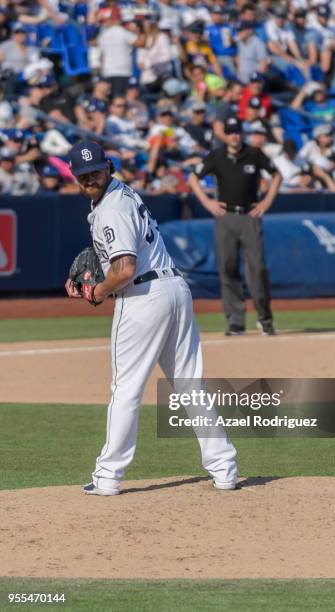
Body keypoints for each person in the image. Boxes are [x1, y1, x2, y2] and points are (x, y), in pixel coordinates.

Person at [65, 140, 238, 495]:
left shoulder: (110, 208)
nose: (90, 178)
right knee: (190, 384)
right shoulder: (123, 193)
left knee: (126, 389)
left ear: (109, 166)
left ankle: (108, 476)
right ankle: (224, 469)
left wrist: (97, 292)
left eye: (95, 170)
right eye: (83, 175)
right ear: (74, 176)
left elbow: (125, 268)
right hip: (175, 288)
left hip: (143, 297)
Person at [188, 117, 281, 336]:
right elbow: (193, 178)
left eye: (237, 131)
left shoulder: (254, 154)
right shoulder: (216, 156)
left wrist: (266, 202)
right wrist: (207, 202)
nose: (234, 135)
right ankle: (235, 322)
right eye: (230, 131)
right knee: (227, 268)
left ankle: (264, 319)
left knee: (257, 268)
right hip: (225, 215)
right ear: (225, 134)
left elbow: (276, 174)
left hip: (249, 214)